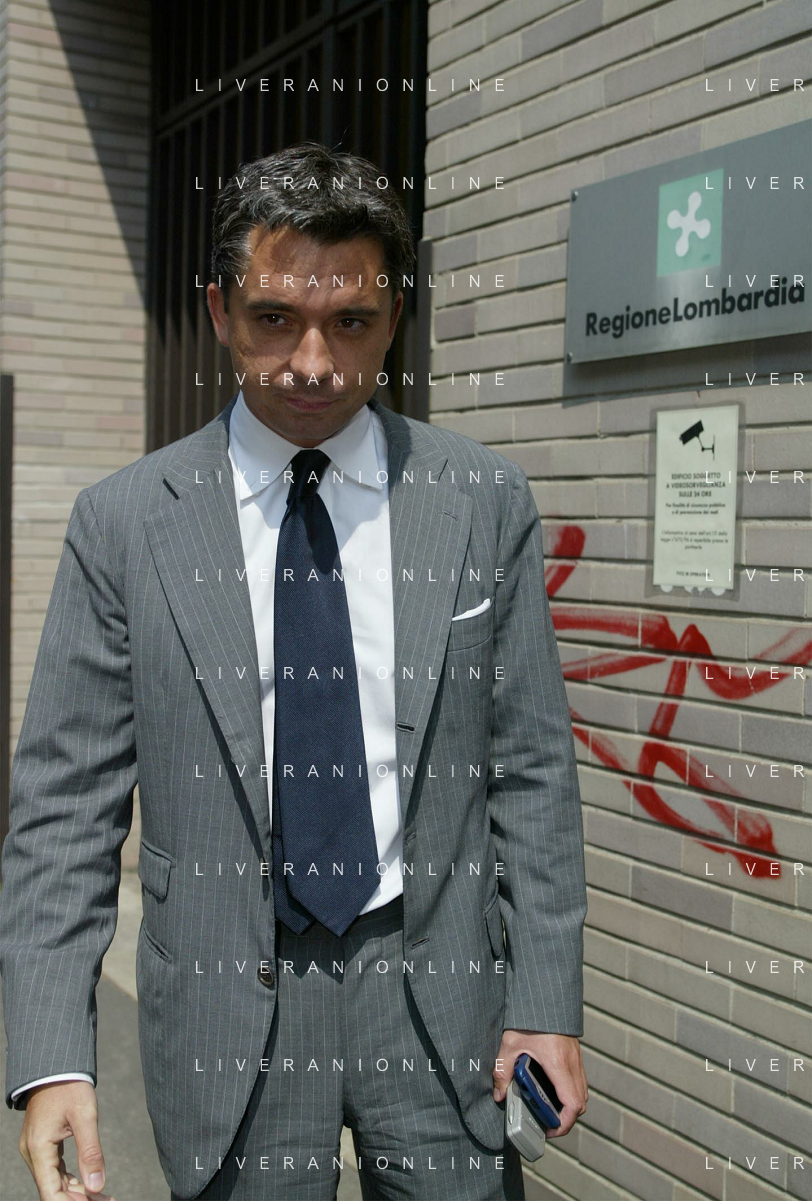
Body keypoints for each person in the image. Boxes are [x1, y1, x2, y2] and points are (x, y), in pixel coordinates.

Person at [0, 142, 588, 1201]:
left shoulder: (480, 501)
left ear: (394, 317)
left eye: (350, 322)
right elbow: (62, 806)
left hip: (438, 1000)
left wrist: (544, 998)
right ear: (220, 310)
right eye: (275, 316)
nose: (312, 362)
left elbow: (532, 769)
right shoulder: (123, 523)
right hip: (230, 1006)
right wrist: (52, 1056)